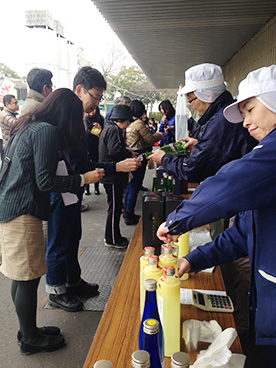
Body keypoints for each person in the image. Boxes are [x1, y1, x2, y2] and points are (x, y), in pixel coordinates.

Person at [157, 65, 276, 367]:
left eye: (250, 110)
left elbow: (228, 184)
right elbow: (243, 233)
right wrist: (194, 259)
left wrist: (176, 221)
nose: (246, 123)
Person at [0, 88, 104, 355]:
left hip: (11, 208)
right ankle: (30, 339)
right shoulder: (47, 130)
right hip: (23, 212)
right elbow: (46, 181)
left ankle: (28, 330)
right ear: (67, 113)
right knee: (27, 278)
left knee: (21, 276)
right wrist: (84, 179)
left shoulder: (27, 124)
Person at [46, 67, 140, 312]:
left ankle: (72, 280)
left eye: (100, 98)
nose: (96, 103)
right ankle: (56, 288)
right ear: (79, 90)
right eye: (95, 96)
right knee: (59, 240)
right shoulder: (64, 118)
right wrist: (115, 167)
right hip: (61, 188)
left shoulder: (82, 119)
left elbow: (82, 162)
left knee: (72, 235)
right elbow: (77, 164)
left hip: (74, 188)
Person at [99, 104, 140, 248]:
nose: (128, 124)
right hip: (113, 175)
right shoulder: (114, 130)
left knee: (115, 206)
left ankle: (113, 236)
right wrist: (130, 154)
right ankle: (112, 239)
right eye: (128, 121)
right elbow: (115, 151)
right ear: (121, 120)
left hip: (111, 174)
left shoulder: (109, 128)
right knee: (115, 207)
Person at [124, 100, 163, 225]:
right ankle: (129, 215)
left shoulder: (129, 122)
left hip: (130, 155)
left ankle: (127, 211)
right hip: (138, 156)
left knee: (130, 186)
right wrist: (160, 135)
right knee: (134, 186)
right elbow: (150, 139)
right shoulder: (138, 123)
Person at [84, 107, 105, 195]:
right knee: (86, 167)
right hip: (86, 146)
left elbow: (104, 134)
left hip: (96, 146)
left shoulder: (100, 119)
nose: (92, 112)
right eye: (91, 110)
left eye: (94, 110)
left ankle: (96, 187)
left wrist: (99, 129)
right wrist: (88, 131)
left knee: (96, 166)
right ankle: (87, 188)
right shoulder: (85, 119)